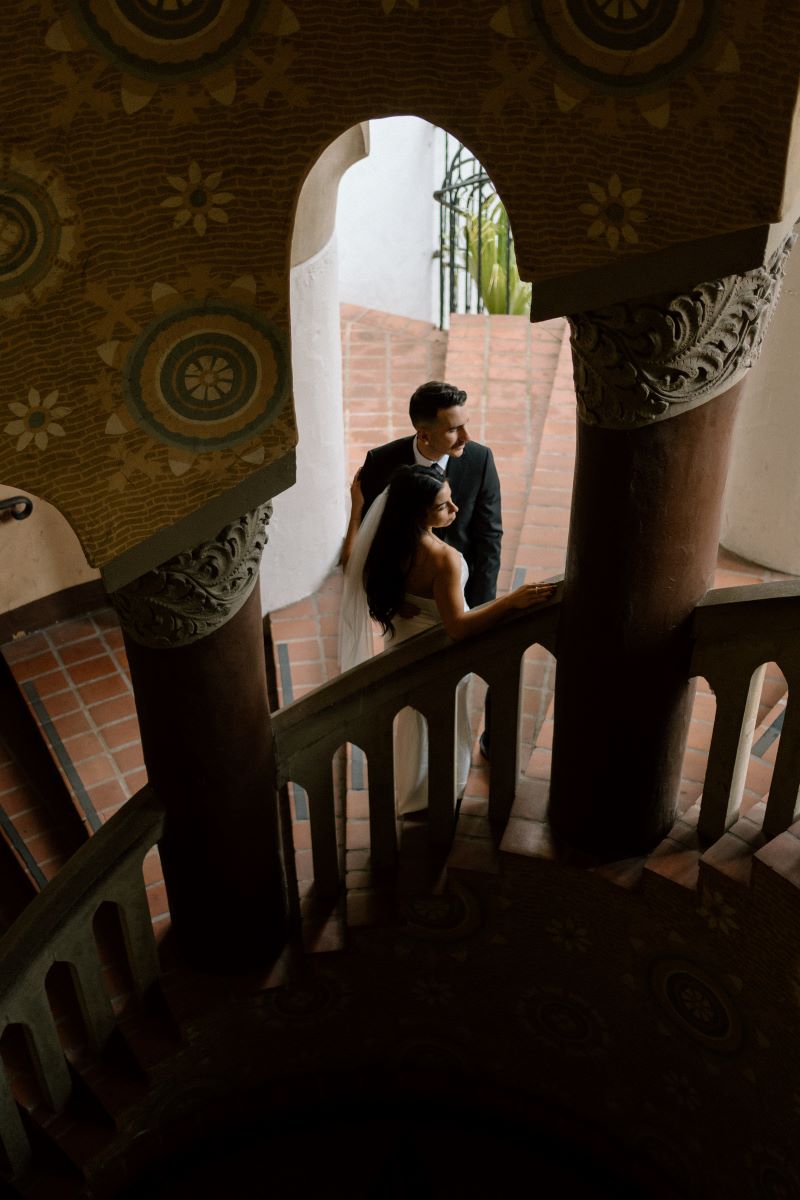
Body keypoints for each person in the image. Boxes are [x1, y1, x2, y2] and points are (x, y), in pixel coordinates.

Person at [339, 465, 556, 815]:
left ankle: (413, 793)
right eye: (444, 506)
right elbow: (457, 627)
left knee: (413, 718)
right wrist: (511, 600)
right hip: (437, 651)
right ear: (417, 513)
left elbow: (350, 563)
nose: (455, 510)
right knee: (444, 719)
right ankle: (436, 794)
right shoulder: (443, 559)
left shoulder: (384, 540)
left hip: (401, 643)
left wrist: (357, 508)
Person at [342, 380, 501, 757]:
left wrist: (479, 607)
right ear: (423, 433)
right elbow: (370, 544)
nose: (465, 435)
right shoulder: (381, 462)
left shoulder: (480, 460)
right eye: (453, 428)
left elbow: (489, 538)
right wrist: (391, 597)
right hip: (410, 610)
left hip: (460, 595)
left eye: (465, 423)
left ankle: (491, 744)